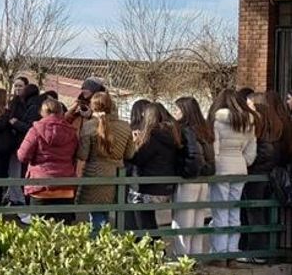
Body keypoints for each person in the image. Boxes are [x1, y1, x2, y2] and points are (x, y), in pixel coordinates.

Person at [207, 89, 257, 263]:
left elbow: (214, 148)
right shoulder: (248, 122)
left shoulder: (217, 121)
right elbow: (251, 150)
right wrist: (243, 161)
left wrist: (216, 163)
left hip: (222, 168)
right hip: (240, 167)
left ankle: (220, 253)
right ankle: (232, 251)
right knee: (235, 210)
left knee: (220, 211)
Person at [76, 92, 135, 234]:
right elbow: (129, 154)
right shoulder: (125, 126)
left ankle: (102, 238)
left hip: (94, 173)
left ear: (93, 107)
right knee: (106, 210)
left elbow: (82, 155)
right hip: (117, 174)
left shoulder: (89, 126)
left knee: (96, 213)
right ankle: (105, 238)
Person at [18, 98, 79, 224]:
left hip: (40, 185)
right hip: (65, 184)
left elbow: (22, 156)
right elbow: (75, 155)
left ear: (42, 112)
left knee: (39, 230)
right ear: (61, 112)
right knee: (64, 229)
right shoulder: (71, 132)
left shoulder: (35, 130)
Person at [241, 91, 286, 255]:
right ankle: (258, 250)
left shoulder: (262, 128)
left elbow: (265, 153)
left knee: (255, 212)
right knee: (259, 212)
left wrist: (250, 164)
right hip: (266, 174)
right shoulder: (275, 126)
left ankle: (257, 251)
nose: (247, 108)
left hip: (257, 175)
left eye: (250, 105)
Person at [125, 103, 181, 232]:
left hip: (147, 188)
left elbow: (137, 159)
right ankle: (156, 244)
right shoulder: (172, 133)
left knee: (144, 224)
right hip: (165, 186)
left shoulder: (153, 136)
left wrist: (135, 143)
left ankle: (154, 245)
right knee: (150, 222)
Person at [173, 96, 214, 257]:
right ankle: (196, 256)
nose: (175, 112)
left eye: (177, 109)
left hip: (189, 179)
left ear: (185, 111)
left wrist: (185, 172)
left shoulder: (185, 129)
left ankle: (182, 258)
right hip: (203, 179)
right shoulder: (204, 129)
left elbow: (193, 155)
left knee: (184, 221)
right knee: (197, 220)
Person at [7, 79, 43, 207]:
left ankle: (22, 200)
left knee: (22, 173)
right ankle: (14, 198)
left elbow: (29, 126)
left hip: (24, 143)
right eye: (15, 86)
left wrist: (16, 123)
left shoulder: (32, 106)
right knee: (14, 172)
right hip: (14, 142)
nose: (17, 88)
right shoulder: (13, 103)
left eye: (20, 86)